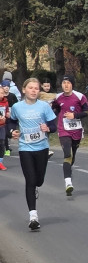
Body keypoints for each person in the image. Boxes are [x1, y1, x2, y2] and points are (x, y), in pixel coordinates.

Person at [8, 79, 57, 230]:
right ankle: (33, 216)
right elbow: (11, 122)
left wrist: (48, 128)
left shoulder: (44, 106)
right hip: (25, 148)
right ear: (24, 90)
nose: (34, 91)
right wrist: (12, 132)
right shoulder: (17, 107)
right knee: (30, 180)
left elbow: (54, 125)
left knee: (39, 180)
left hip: (42, 147)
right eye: (31, 88)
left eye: (36, 88)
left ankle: (36, 186)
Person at [51, 76, 88, 196]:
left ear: (72, 84)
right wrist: (51, 114)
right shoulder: (58, 97)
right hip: (63, 129)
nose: (66, 85)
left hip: (76, 130)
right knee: (67, 154)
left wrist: (75, 115)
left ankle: (68, 173)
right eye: (64, 83)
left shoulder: (79, 97)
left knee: (72, 156)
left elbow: (87, 112)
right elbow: (56, 109)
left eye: (68, 83)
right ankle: (68, 182)